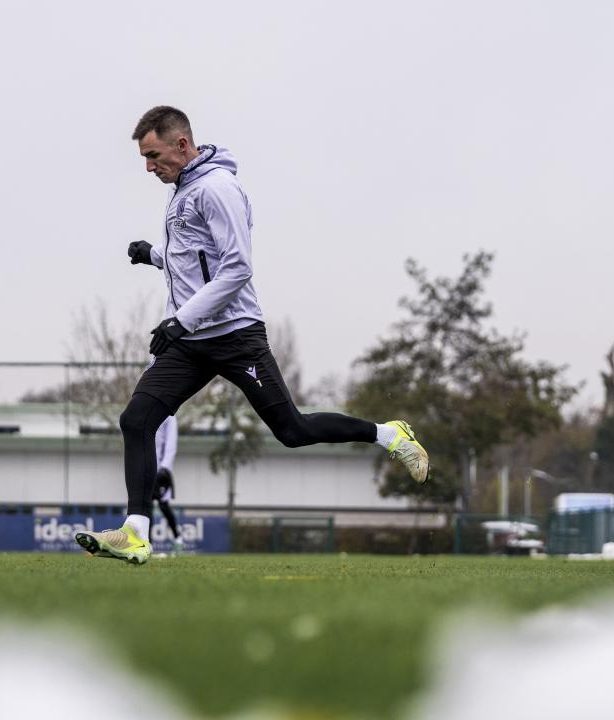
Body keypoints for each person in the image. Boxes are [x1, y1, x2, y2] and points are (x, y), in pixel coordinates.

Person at [75, 105, 430, 565]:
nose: (148, 167)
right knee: (136, 420)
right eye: (144, 158)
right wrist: (155, 255)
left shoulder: (217, 188)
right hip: (191, 342)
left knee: (292, 430)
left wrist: (180, 320)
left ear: (181, 144)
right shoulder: (183, 188)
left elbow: (237, 267)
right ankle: (136, 533)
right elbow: (194, 255)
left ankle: (388, 434)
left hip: (234, 335)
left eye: (153, 155)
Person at [152, 415, 184, 553]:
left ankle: (178, 538)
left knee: (163, 506)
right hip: (146, 468)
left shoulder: (169, 417)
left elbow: (171, 444)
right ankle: (146, 543)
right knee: (145, 506)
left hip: (161, 471)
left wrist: (165, 468)